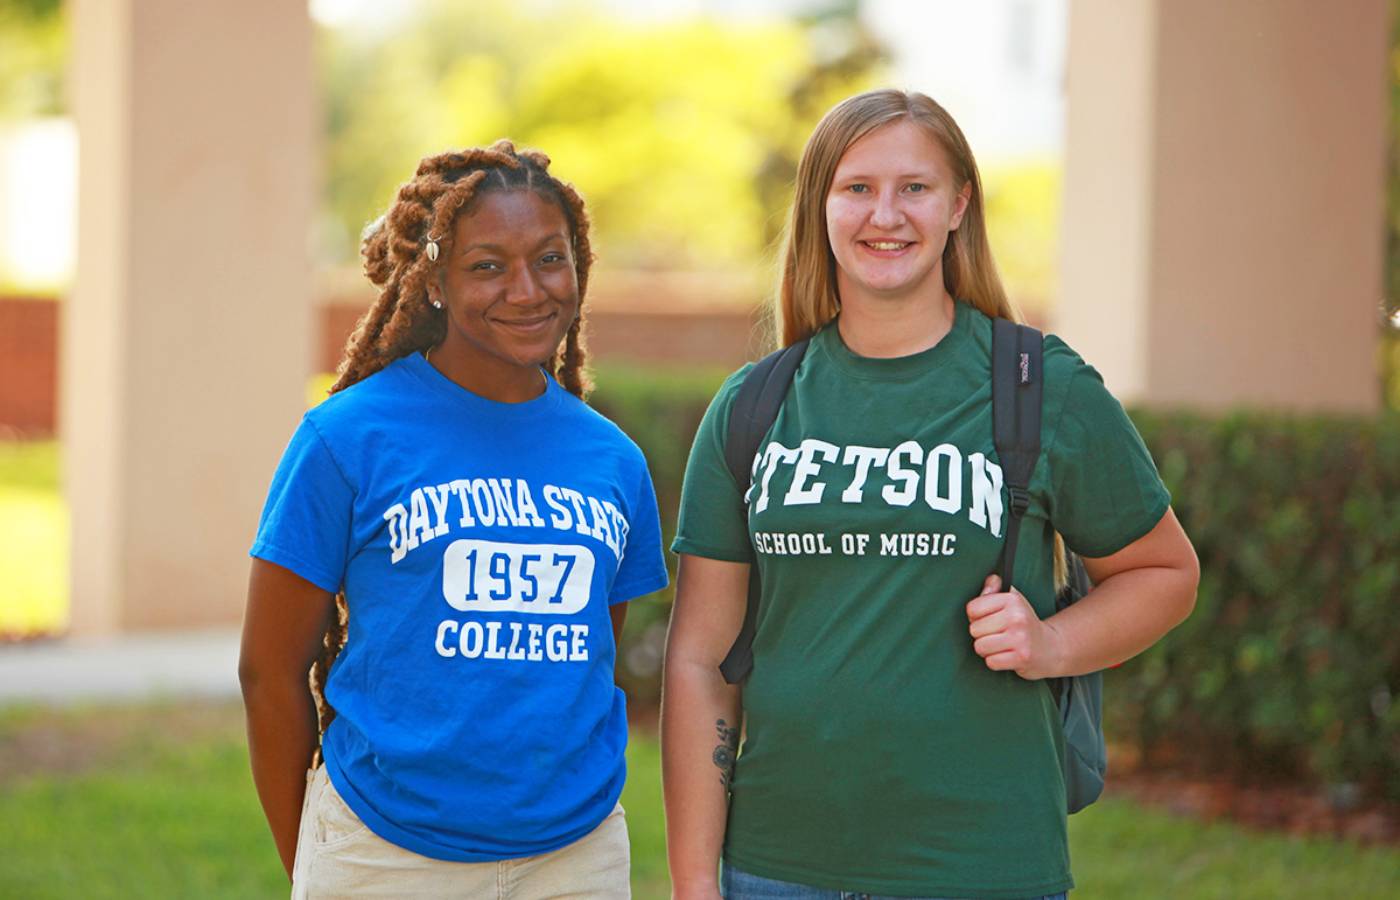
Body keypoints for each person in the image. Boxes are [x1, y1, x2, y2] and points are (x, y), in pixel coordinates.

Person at [661, 89, 1200, 899]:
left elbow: (1165, 574)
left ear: (958, 205)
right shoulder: (753, 405)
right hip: (778, 868)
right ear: (820, 208)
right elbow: (701, 658)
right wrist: (696, 881)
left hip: (982, 866)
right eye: (857, 188)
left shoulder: (1039, 386)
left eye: (915, 187)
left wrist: (1050, 643)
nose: (887, 214)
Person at [239, 140, 668, 897]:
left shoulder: (613, 461)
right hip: (385, 854)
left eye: (550, 258)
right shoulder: (346, 437)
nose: (527, 290)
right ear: (434, 280)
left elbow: (593, 652)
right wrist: (314, 858)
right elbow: (268, 672)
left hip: (575, 859)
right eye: (487, 266)